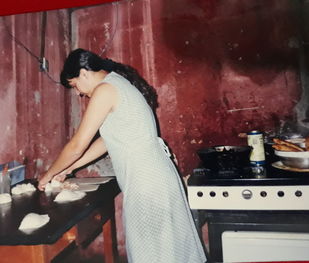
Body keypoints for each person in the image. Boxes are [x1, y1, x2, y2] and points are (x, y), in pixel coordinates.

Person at [38, 48, 207, 263]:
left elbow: (77, 144)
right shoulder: (117, 83)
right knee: (167, 252)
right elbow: (106, 141)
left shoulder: (105, 90)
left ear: (84, 73)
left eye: (75, 85)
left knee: (154, 254)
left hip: (147, 183)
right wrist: (68, 168)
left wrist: (48, 174)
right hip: (154, 178)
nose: (79, 92)